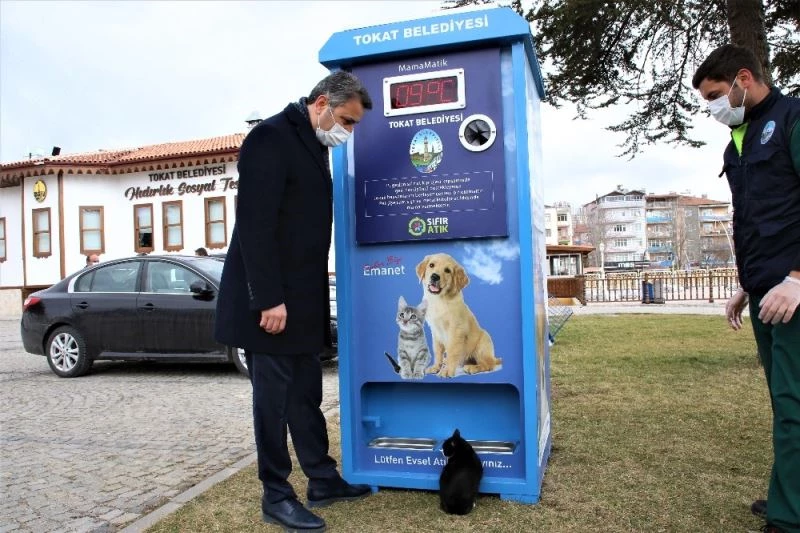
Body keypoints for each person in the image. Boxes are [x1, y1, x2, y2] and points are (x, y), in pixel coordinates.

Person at [214, 71, 373, 532]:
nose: (347, 131)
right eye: (345, 119)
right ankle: (276, 495)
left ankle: (322, 479)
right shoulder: (270, 138)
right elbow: (255, 227)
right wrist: (268, 300)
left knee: (307, 395)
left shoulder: (313, 144)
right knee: (274, 402)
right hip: (272, 304)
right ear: (321, 102)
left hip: (303, 301)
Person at [693, 44, 800, 533]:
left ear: (743, 78)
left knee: (795, 405)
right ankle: (790, 492)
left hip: (793, 292)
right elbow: (755, 220)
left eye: (716, 95)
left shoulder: (793, 119)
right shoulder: (740, 137)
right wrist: (746, 285)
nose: (713, 107)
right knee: (785, 403)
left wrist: (797, 279)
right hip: (764, 291)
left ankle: (789, 517)